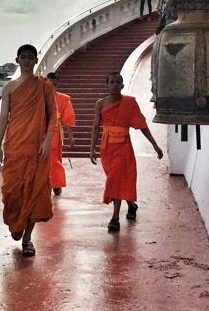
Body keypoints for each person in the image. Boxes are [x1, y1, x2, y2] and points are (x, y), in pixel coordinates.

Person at [0, 44, 59, 256]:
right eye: (23, 57)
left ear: (35, 60)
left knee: (36, 191)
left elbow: (53, 115)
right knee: (12, 191)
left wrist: (48, 141)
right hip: (15, 145)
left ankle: (28, 239)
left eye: (31, 57)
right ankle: (16, 223)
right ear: (17, 60)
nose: (27, 61)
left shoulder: (44, 85)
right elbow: (4, 117)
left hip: (38, 147)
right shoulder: (10, 88)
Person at [90, 71, 163, 231]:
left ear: (122, 85)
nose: (115, 85)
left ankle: (115, 218)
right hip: (107, 147)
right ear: (107, 85)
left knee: (115, 179)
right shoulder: (100, 104)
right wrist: (92, 148)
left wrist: (155, 145)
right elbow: (96, 127)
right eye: (112, 82)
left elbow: (142, 125)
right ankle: (131, 204)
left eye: (118, 82)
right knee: (117, 178)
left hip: (123, 146)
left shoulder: (129, 104)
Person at [46, 71, 76, 195]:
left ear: (57, 84)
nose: (51, 87)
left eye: (54, 84)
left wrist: (70, 136)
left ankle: (56, 183)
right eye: (48, 84)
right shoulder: (37, 98)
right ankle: (43, 184)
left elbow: (68, 118)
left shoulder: (63, 99)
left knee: (54, 159)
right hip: (38, 132)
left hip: (54, 132)